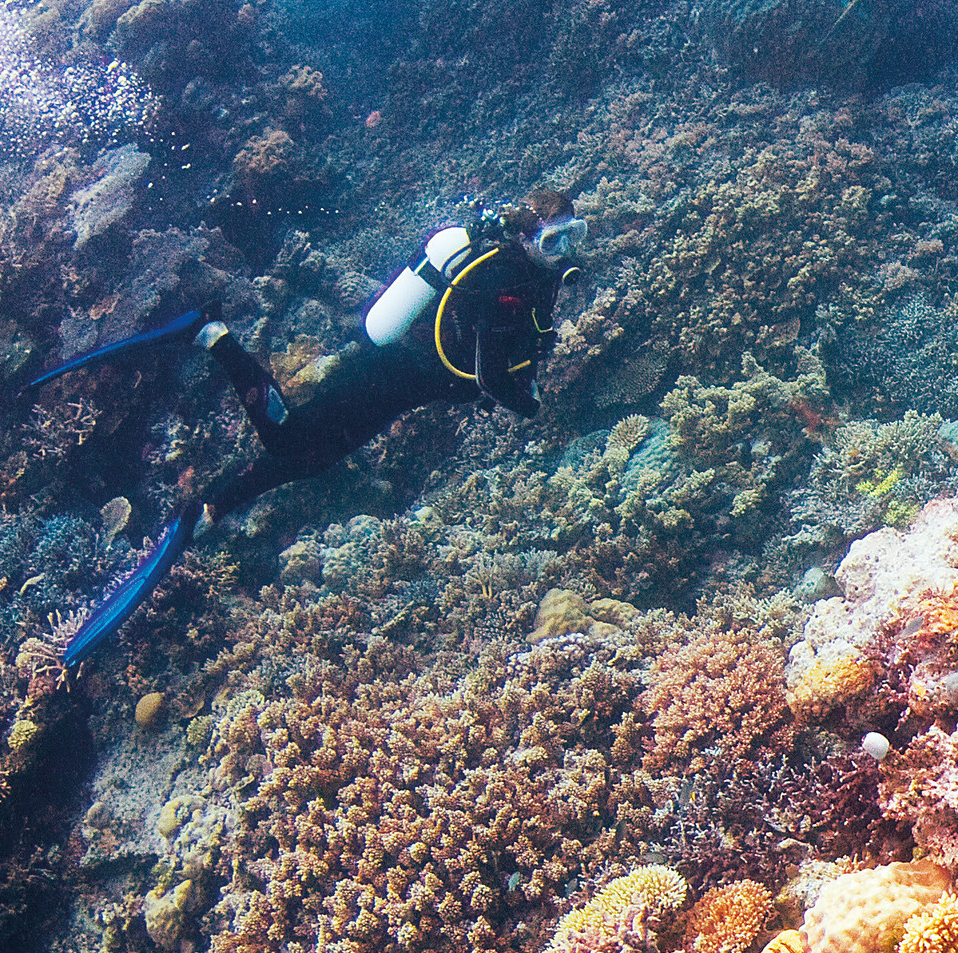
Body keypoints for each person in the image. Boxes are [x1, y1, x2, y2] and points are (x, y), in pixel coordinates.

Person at [30, 190, 589, 661]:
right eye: (551, 241)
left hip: (406, 381)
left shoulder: (527, 279)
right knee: (292, 442)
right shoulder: (504, 284)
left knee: (310, 458)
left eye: (572, 236)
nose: (563, 252)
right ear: (522, 240)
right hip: (391, 373)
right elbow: (491, 376)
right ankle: (210, 335)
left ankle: (204, 511)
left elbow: (503, 354)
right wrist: (532, 405)